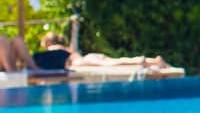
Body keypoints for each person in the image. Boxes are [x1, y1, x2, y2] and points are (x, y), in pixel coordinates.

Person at [0, 31, 177, 75]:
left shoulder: (54, 52)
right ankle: (151, 61)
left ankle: (147, 61)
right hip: (81, 59)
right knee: (111, 61)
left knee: (112, 63)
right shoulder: (63, 50)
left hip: (76, 63)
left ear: (51, 43)